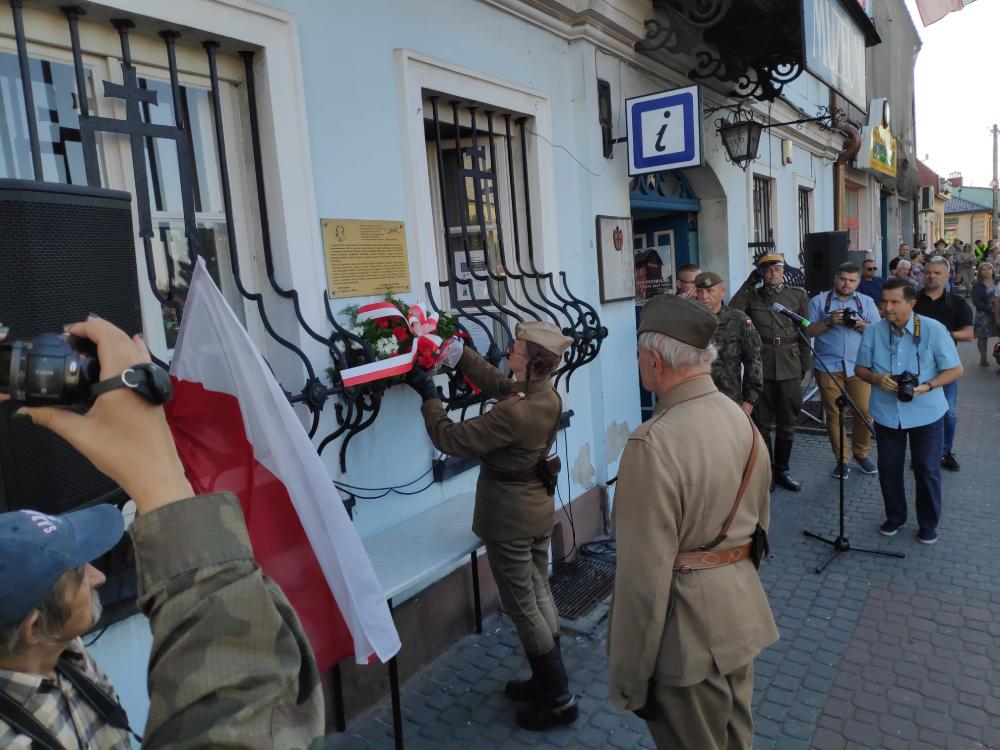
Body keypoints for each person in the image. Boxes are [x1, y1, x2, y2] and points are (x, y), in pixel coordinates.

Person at [2, 318, 325, 748]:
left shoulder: (63, 656)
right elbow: (246, 706)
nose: (98, 576)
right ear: (33, 627)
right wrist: (162, 482)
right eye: (78, 573)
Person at [608, 293, 777, 750]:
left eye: (639, 357)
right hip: (740, 612)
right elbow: (761, 525)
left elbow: (643, 579)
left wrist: (630, 678)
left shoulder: (652, 443)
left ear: (655, 362)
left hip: (686, 639)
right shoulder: (742, 419)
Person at [406, 322, 576, 731]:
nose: (508, 352)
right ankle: (547, 682)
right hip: (534, 510)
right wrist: (459, 355)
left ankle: (557, 699)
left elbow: (450, 438)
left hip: (509, 519)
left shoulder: (514, 413)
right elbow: (500, 383)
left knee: (523, 607)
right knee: (538, 591)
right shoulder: (543, 394)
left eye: (515, 349)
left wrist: (429, 395)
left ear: (532, 362)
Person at [855, 278, 964, 545]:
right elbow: (859, 369)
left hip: (927, 413)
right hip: (886, 413)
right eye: (884, 302)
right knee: (889, 468)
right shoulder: (873, 331)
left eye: (894, 302)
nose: (887, 308)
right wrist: (877, 379)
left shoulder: (933, 329)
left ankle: (928, 524)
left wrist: (927, 386)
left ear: (911, 303)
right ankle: (895, 517)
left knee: (927, 469)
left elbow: (956, 369)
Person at [730, 254, 812, 491]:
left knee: (788, 421)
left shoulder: (797, 295)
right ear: (761, 273)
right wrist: (748, 283)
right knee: (762, 422)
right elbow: (733, 311)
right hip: (761, 364)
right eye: (767, 270)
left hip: (790, 363)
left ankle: (783, 470)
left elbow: (804, 331)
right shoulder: (752, 296)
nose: (772, 273)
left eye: (776, 269)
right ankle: (767, 470)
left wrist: (804, 365)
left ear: (783, 270)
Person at [804, 263, 881, 478]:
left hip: (859, 367)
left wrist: (859, 324)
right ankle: (842, 460)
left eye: (852, 280)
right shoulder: (819, 301)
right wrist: (829, 321)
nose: (846, 284)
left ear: (857, 282)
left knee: (864, 413)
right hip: (827, 366)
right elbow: (808, 330)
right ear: (836, 278)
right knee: (834, 414)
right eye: (843, 279)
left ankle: (861, 453)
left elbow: (877, 332)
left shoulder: (866, 302)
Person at [914, 257, 973, 471]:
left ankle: (945, 452)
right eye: (928, 272)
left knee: (948, 412)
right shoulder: (912, 300)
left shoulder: (957, 302)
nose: (932, 276)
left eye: (937, 272)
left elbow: (968, 334)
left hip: (945, 368)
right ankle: (921, 454)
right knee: (917, 410)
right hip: (915, 366)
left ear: (947, 276)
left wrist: (945, 335)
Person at [693, 271, 763, 414]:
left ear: (722, 291)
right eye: (700, 291)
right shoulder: (690, 321)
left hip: (729, 400)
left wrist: (749, 401)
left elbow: (753, 361)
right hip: (696, 400)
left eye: (710, 290)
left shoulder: (739, 320)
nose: (704, 296)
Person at [971, 262, 998, 366]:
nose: (987, 271)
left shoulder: (998, 281)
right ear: (980, 272)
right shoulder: (977, 284)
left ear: (993, 270)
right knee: (982, 337)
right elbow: (976, 300)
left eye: (989, 269)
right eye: (983, 269)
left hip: (998, 313)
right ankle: (983, 358)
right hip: (983, 314)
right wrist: (989, 308)